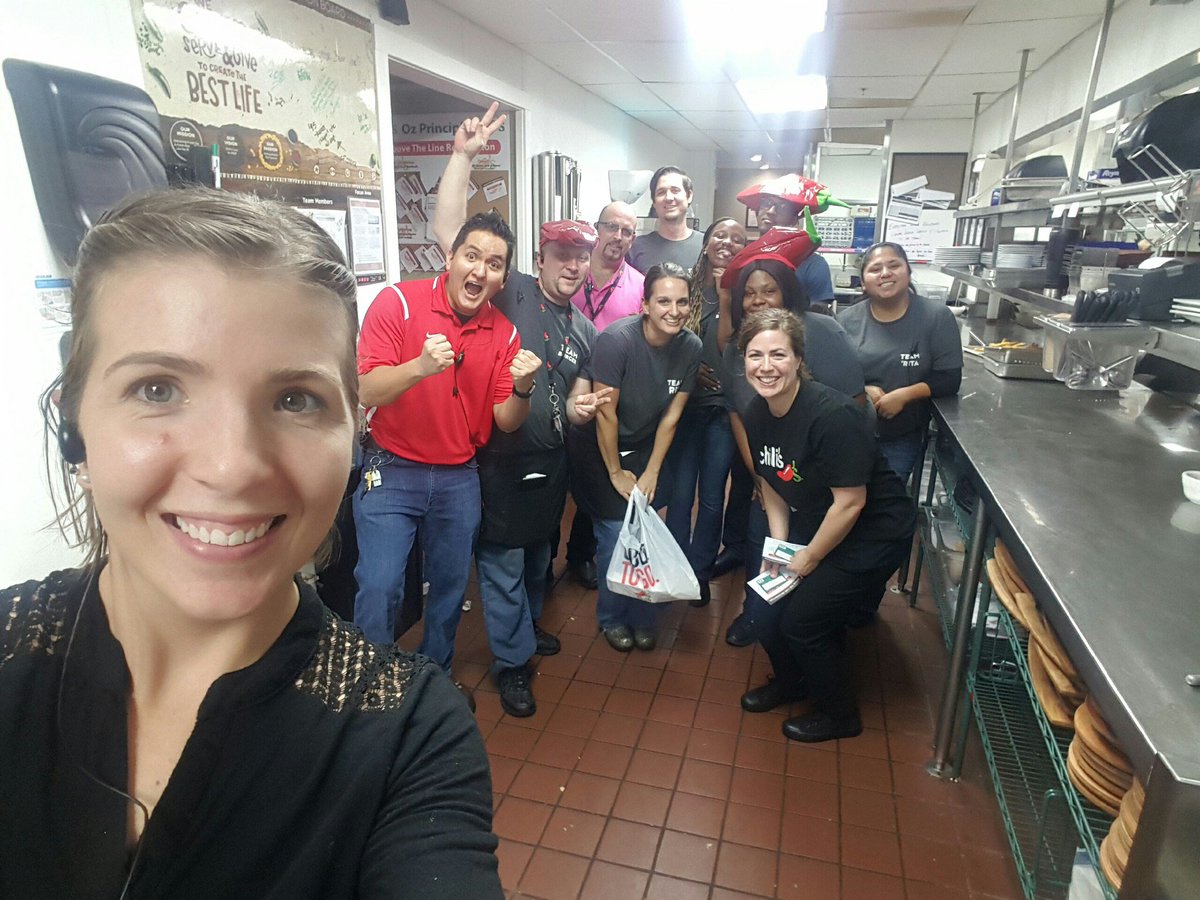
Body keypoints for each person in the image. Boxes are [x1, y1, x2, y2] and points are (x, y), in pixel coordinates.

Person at [0, 188, 501, 897]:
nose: (233, 466)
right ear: (73, 426)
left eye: (295, 399)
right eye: (157, 389)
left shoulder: (411, 737)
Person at [431, 105, 611, 717]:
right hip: (501, 458)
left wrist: (585, 409)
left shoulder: (586, 329)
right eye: (561, 253)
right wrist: (463, 157)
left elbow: (579, 398)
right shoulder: (514, 290)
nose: (570, 264)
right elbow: (453, 233)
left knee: (540, 555)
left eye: (580, 257)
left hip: (552, 461)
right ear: (543, 252)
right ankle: (512, 665)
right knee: (504, 564)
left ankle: (528, 629)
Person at [355, 174, 542, 699]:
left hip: (460, 476)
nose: (479, 270)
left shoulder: (504, 332)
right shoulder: (399, 303)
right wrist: (418, 366)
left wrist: (524, 388)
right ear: (451, 256)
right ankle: (374, 683)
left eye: (494, 263)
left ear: (503, 278)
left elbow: (506, 420)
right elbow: (366, 388)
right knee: (381, 585)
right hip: (391, 470)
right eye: (472, 256)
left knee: (450, 589)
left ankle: (432, 676)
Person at [737, 308, 916, 743]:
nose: (766, 366)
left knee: (803, 621)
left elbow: (852, 502)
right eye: (755, 355)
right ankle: (793, 680)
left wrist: (808, 558)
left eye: (778, 354)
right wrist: (778, 548)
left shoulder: (832, 415)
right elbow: (771, 481)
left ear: (798, 359)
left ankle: (840, 715)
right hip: (822, 520)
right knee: (761, 610)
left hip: (873, 531)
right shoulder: (756, 412)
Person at [713, 228, 868, 648]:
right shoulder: (736, 348)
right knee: (763, 541)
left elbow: (854, 405)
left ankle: (812, 627)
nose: (759, 300)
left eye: (769, 291)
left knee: (817, 562)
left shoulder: (822, 331)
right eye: (750, 293)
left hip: (825, 478)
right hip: (773, 473)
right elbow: (739, 418)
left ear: (788, 293)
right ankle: (756, 611)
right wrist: (763, 479)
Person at [566, 263, 701, 652]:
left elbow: (672, 417)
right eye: (662, 301)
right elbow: (605, 413)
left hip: (644, 444)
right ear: (644, 305)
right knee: (614, 534)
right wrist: (615, 472)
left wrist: (653, 469)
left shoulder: (690, 346)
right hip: (600, 445)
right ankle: (611, 617)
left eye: (681, 302)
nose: (673, 310)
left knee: (647, 529)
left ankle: (643, 615)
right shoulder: (616, 340)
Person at [561, 199, 648, 590]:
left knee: (591, 487)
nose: (618, 237)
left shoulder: (639, 287)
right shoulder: (572, 271)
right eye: (611, 227)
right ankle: (543, 564)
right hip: (557, 385)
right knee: (552, 486)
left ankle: (581, 556)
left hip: (603, 401)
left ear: (633, 239)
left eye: (627, 231)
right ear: (597, 229)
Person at [663, 217, 747, 608]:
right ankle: (675, 565)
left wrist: (727, 296)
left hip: (723, 412)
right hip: (684, 406)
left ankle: (698, 573)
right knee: (680, 495)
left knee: (712, 496)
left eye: (736, 239)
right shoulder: (687, 287)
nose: (727, 243)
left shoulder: (747, 292)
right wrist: (691, 369)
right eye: (720, 235)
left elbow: (730, 347)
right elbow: (669, 339)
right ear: (706, 241)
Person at [837, 241, 963, 483]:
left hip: (902, 436)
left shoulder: (936, 317)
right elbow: (831, 376)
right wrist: (862, 391)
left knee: (887, 502)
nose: (885, 273)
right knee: (847, 501)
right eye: (875, 269)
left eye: (894, 265)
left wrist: (905, 395)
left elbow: (949, 379)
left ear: (908, 272)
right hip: (848, 434)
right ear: (863, 282)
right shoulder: (845, 321)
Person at [738, 173, 847, 313]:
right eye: (766, 204)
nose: (770, 211)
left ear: (794, 218)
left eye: (781, 207)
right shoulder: (745, 257)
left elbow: (820, 317)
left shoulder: (813, 264)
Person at [627, 166, 704, 276]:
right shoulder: (634, 248)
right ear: (654, 202)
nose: (668, 197)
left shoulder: (705, 246)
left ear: (689, 196)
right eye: (661, 192)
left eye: (675, 190)